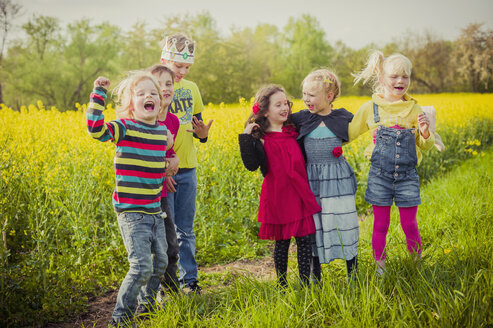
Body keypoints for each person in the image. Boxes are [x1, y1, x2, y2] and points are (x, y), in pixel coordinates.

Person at [86, 72, 173, 325]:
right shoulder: (124, 127)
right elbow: (95, 130)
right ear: (130, 105)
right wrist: (98, 94)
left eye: (154, 93)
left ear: (160, 103)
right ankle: (120, 319)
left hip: (155, 210)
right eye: (141, 93)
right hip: (132, 212)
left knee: (161, 263)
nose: (149, 96)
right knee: (141, 267)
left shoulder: (162, 132)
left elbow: (160, 158)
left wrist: (169, 160)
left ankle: (147, 308)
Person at [350, 50, 435, 275]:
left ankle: (417, 265)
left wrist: (425, 133)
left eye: (405, 76)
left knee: (410, 225)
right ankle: (380, 269)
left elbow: (424, 145)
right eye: (394, 76)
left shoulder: (415, 110)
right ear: (381, 80)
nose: (400, 81)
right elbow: (349, 132)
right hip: (380, 176)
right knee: (380, 225)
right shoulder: (371, 108)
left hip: (407, 176)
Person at [238, 85, 321, 287]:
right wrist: (246, 136)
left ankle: (305, 284)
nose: (285, 108)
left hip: (299, 192)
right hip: (277, 196)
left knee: (304, 240)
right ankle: (282, 284)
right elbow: (251, 165)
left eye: (286, 103)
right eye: (278, 105)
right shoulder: (261, 139)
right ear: (264, 111)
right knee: (282, 242)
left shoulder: (294, 130)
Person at [292, 69, 359, 282]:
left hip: (338, 179)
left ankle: (353, 272)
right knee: (315, 224)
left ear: (329, 97)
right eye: (304, 94)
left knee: (343, 220)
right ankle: (315, 277)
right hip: (312, 180)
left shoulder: (343, 117)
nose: (305, 99)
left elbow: (362, 127)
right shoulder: (302, 118)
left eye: (311, 95)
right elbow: (279, 125)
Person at [160, 32, 213, 294]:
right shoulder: (156, 89)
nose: (182, 71)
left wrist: (204, 135)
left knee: (185, 230)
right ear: (163, 61)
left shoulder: (191, 89)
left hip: (188, 167)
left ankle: (190, 281)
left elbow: (199, 129)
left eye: (187, 67)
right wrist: (162, 169)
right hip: (164, 171)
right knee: (166, 232)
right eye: (178, 65)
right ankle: (166, 286)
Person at [147, 64, 181, 293]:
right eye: (159, 84)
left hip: (162, 195)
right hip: (144, 196)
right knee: (152, 249)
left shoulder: (174, 121)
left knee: (171, 245)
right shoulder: (143, 119)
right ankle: (148, 297)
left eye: (169, 83)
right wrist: (164, 168)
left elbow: (166, 152)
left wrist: (174, 158)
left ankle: (171, 290)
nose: (165, 88)